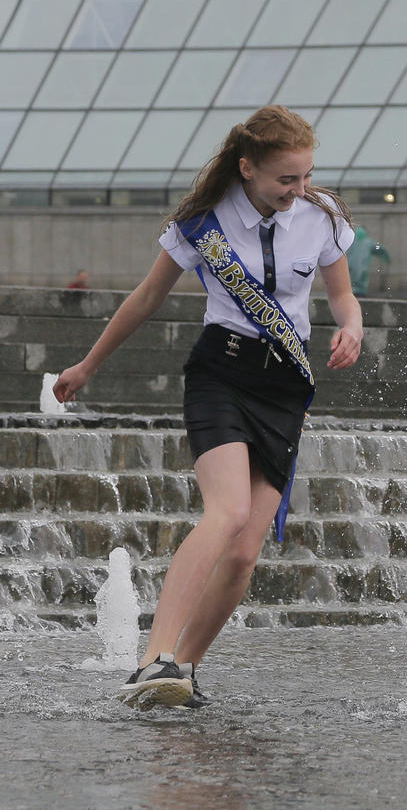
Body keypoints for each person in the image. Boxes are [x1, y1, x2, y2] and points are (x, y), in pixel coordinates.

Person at [54, 105, 363, 709]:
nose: (299, 190)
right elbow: (147, 297)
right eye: (286, 179)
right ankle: (153, 659)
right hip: (221, 373)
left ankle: (183, 670)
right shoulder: (203, 223)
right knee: (228, 512)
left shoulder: (321, 215)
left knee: (244, 552)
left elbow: (343, 296)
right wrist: (87, 366)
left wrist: (351, 327)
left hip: (285, 387)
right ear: (247, 168)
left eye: (306, 176)